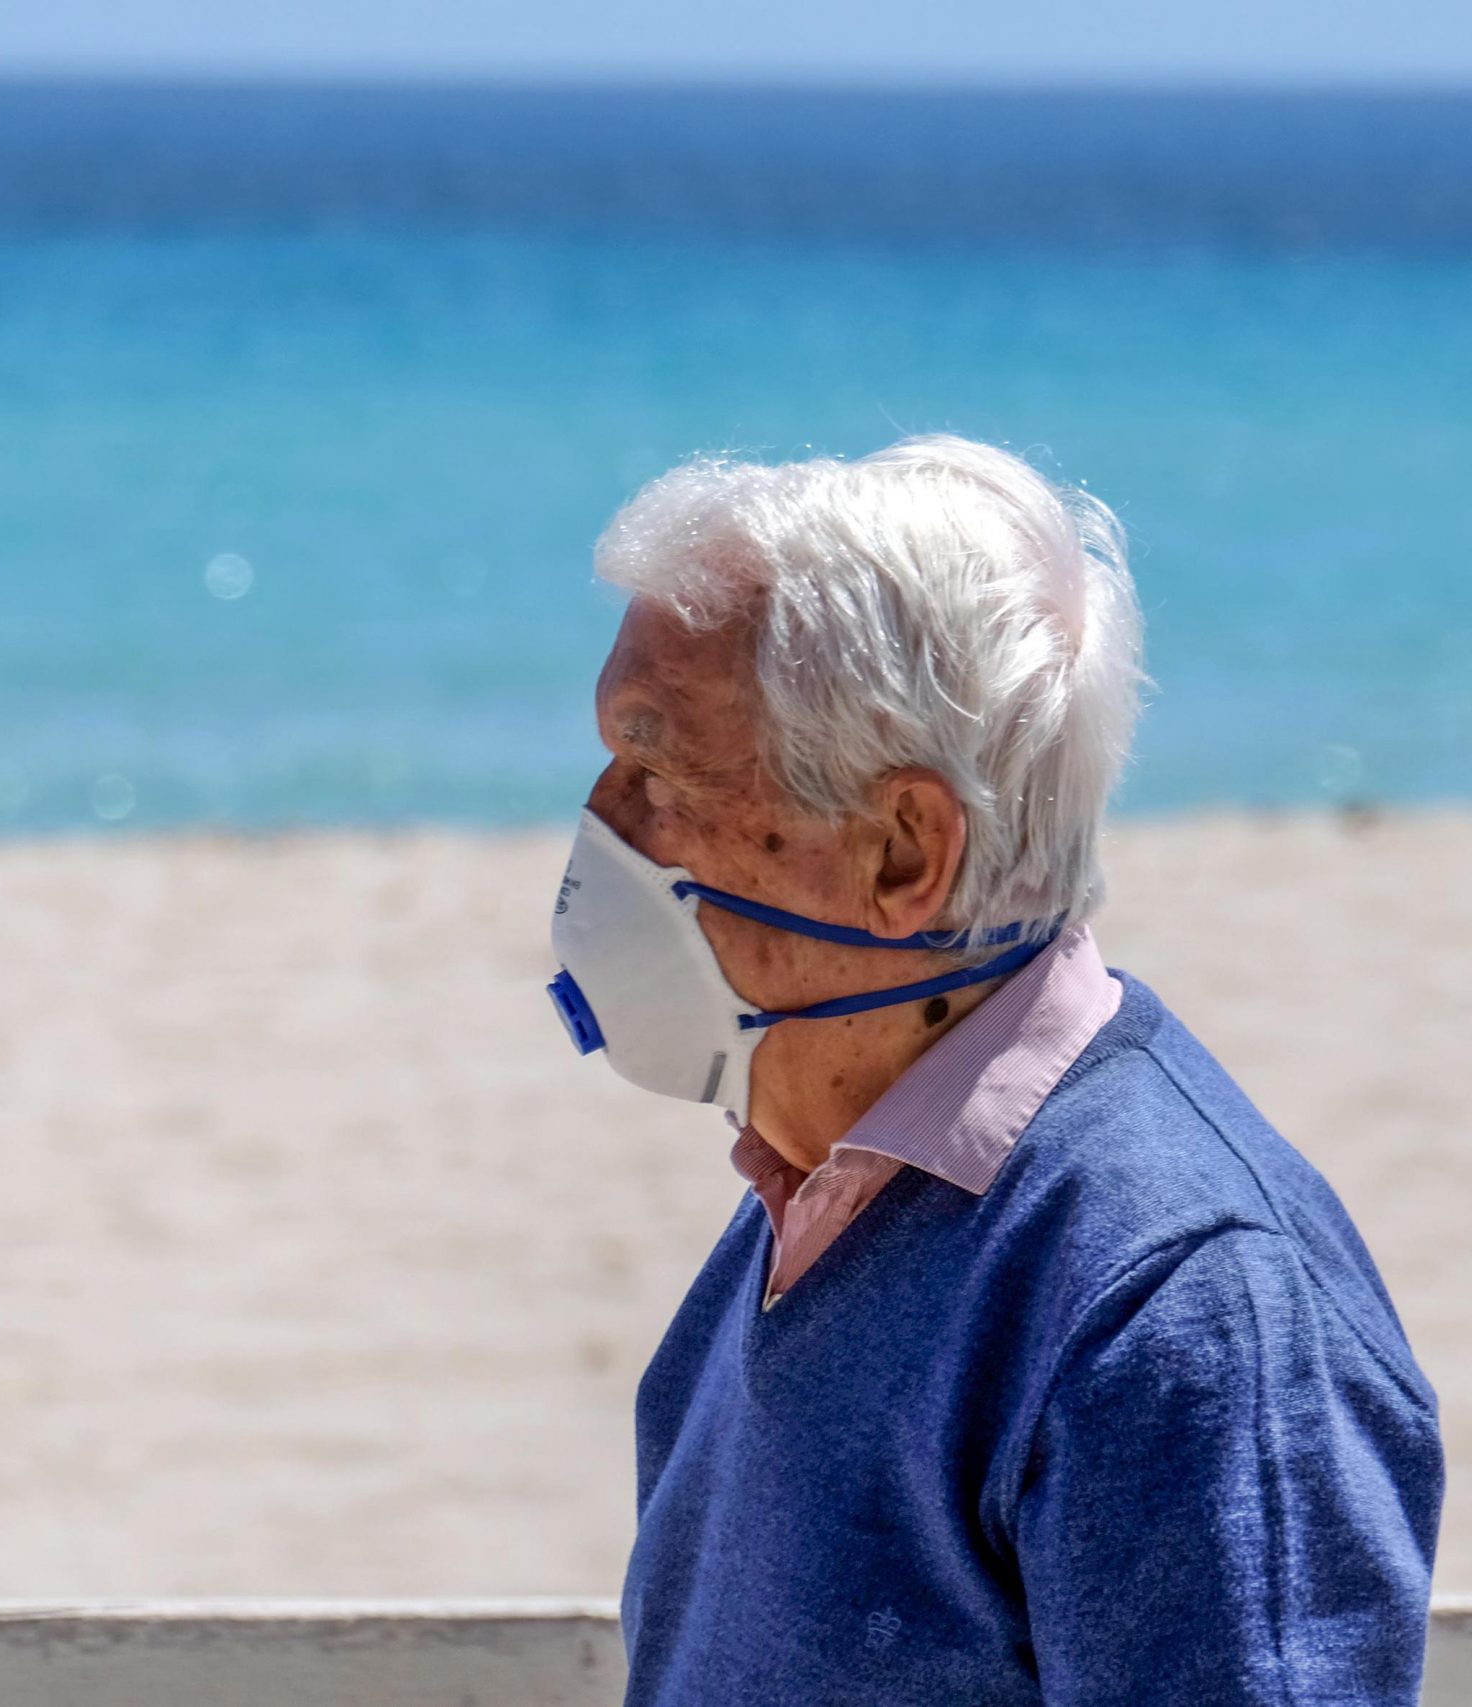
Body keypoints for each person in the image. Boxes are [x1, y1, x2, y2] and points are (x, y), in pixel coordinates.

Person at [544, 437, 1441, 1703]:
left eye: (655, 768)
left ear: (904, 852)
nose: (600, 827)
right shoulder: (808, 1192)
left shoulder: (1177, 1305)